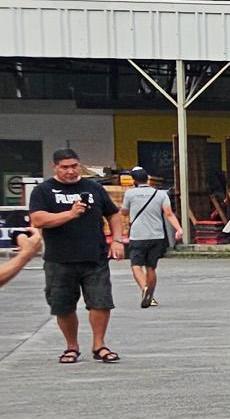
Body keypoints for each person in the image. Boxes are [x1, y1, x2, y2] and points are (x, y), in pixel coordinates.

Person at [25, 147, 124, 363]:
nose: (70, 171)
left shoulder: (93, 187)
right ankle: (71, 347)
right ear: (55, 168)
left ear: (79, 165)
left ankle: (99, 345)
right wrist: (70, 214)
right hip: (59, 259)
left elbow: (114, 214)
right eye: (64, 167)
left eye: (74, 166)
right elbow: (39, 219)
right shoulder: (44, 191)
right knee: (63, 305)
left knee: (101, 302)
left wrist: (117, 240)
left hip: (94, 257)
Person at [120, 162, 185, 306]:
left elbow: (124, 212)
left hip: (137, 235)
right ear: (148, 178)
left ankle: (144, 289)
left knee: (136, 265)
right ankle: (150, 294)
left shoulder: (129, 194)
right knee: (151, 267)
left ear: (134, 180)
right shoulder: (160, 194)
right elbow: (168, 214)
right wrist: (179, 229)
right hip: (156, 235)